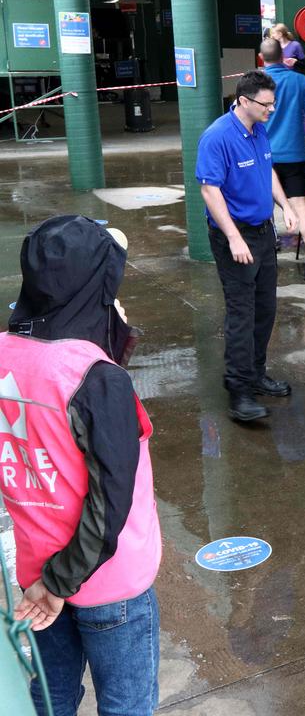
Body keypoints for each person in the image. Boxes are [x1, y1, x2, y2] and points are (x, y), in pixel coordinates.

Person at [1, 216, 161, 715]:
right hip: (108, 583)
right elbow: (111, 498)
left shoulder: (7, 352)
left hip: (34, 574)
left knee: (51, 701)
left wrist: (45, 582)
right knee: (126, 706)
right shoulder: (95, 377)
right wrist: (58, 581)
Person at [197, 69, 298, 422]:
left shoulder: (259, 131)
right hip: (234, 236)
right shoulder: (218, 137)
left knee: (265, 308)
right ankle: (238, 389)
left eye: (273, 103)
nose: (271, 109)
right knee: (242, 313)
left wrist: (285, 205)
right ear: (243, 100)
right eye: (266, 104)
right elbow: (210, 190)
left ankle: (255, 373)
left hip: (262, 232)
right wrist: (234, 237)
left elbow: (268, 171)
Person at [261, 38, 305, 282]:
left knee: (265, 204)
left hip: (264, 155)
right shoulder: (299, 80)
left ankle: (268, 257)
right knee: (299, 204)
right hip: (294, 154)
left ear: (261, 56)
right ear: (282, 55)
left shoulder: (258, 82)